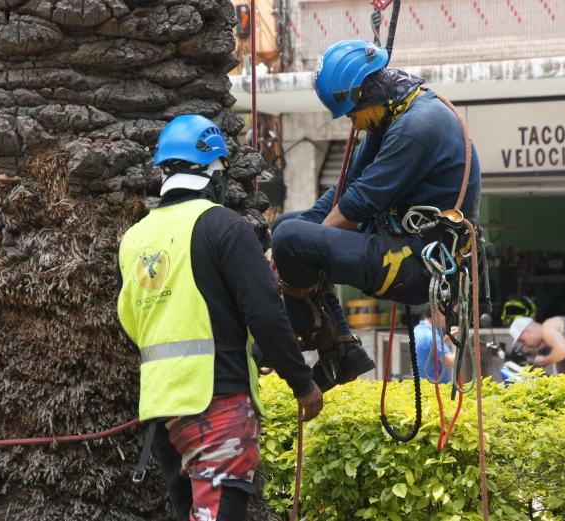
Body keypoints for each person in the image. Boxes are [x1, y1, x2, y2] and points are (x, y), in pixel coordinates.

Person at [117, 115, 323, 521]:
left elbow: (134, 323)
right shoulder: (224, 226)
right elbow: (265, 311)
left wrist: (248, 349)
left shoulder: (135, 238)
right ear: (215, 173)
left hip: (163, 411)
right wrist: (302, 383)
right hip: (217, 405)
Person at [271, 39, 482, 393]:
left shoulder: (419, 125)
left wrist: (299, 248)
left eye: (353, 113)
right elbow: (345, 190)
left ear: (367, 96)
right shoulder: (391, 114)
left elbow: (359, 205)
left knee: (291, 240)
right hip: (394, 240)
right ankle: (344, 349)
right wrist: (298, 237)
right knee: (286, 228)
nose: (354, 123)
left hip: (419, 266)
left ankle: (306, 340)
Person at [413, 308, 456, 384]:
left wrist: (444, 342)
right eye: (446, 314)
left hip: (423, 385)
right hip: (437, 389)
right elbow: (453, 362)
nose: (448, 317)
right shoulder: (433, 337)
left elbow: (431, 351)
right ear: (437, 313)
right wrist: (463, 342)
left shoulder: (417, 330)